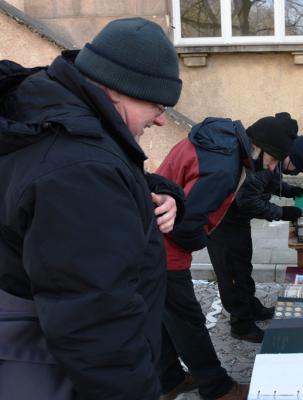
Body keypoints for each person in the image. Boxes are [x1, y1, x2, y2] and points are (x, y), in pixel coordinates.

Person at [0, 17, 183, 399]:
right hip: (55, 372)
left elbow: (113, 173)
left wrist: (166, 192)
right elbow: (99, 329)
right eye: (157, 103)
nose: (162, 118)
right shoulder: (81, 172)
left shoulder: (56, 114)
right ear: (118, 90)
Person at [154, 117, 254, 400]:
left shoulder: (211, 144)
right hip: (165, 250)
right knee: (188, 321)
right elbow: (184, 225)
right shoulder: (224, 167)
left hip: (150, 241)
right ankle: (217, 388)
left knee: (164, 316)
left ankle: (170, 378)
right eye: (273, 162)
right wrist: (202, 239)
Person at [208, 126, 303, 343]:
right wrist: (283, 212)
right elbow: (249, 202)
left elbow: (269, 181)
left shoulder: (274, 160)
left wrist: (288, 189)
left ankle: (251, 307)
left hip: (237, 222)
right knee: (232, 274)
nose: (295, 172)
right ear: (289, 155)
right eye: (297, 168)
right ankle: (241, 325)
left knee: (243, 268)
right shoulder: (265, 160)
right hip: (223, 224)